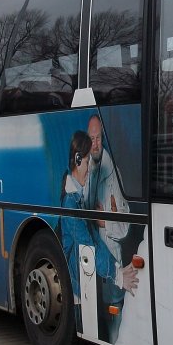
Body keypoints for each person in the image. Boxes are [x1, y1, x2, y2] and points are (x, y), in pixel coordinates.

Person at [58, 130, 138, 334]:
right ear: (77, 161)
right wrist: (119, 277)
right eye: (86, 163)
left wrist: (118, 269)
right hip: (77, 291)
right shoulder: (70, 203)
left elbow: (94, 238)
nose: (89, 170)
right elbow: (90, 246)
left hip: (84, 285)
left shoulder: (77, 197)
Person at [86, 115, 139, 343]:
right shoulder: (86, 171)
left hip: (111, 262)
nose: (95, 143)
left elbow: (124, 228)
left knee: (113, 323)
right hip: (94, 262)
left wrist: (104, 222)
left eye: (98, 138)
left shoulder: (112, 175)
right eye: (91, 138)